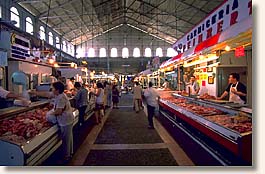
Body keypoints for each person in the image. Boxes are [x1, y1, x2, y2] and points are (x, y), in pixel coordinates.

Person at [29, 81, 74, 162]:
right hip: (66, 120)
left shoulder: (61, 98)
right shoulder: (58, 95)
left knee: (66, 139)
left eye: (53, 88)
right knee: (69, 137)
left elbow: (58, 111)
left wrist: (48, 114)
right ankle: (70, 153)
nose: (51, 89)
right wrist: (34, 92)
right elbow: (47, 94)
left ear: (57, 90)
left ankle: (67, 157)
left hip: (65, 121)